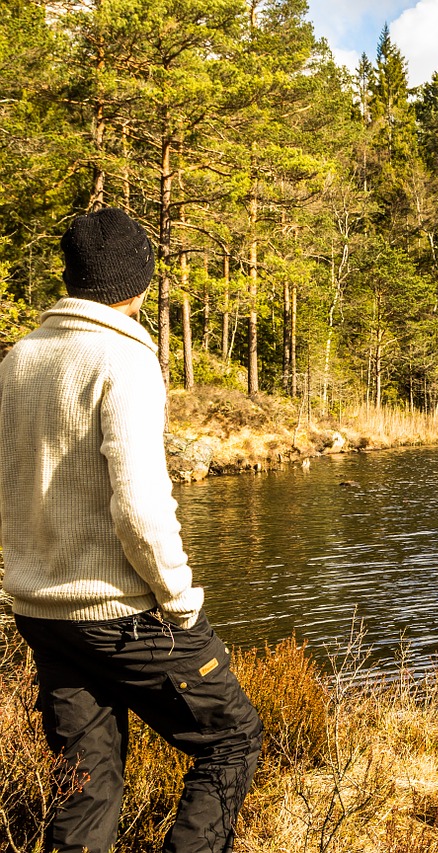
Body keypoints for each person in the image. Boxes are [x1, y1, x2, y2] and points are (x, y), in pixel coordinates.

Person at [0, 208, 262, 853]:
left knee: (86, 786)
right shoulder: (124, 359)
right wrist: (180, 600)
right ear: (136, 282)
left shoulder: (18, 359)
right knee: (232, 739)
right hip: (124, 616)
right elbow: (140, 505)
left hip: (42, 612)